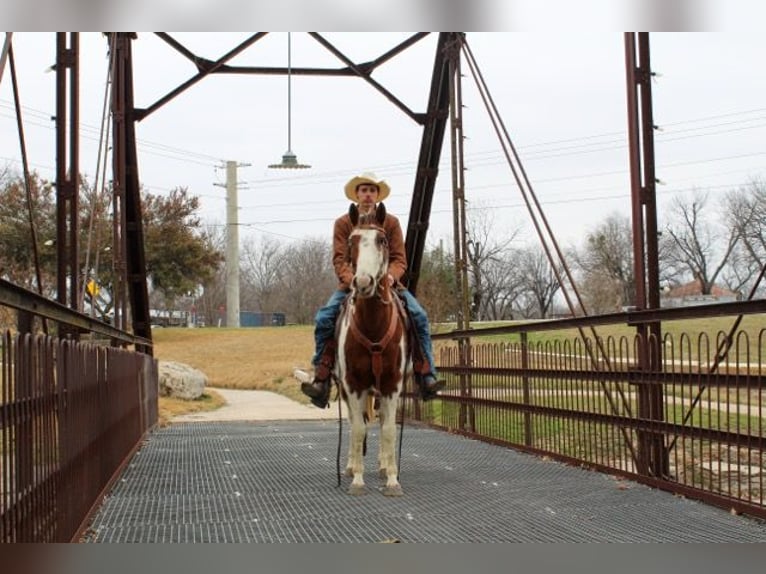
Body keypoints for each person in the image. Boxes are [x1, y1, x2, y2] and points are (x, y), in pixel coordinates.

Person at [301, 172, 445, 409]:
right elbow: (340, 260)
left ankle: (425, 373)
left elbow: (400, 259)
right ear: (357, 194)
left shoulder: (391, 223)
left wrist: (390, 277)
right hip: (352, 285)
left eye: (372, 190)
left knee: (419, 316)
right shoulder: (343, 223)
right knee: (324, 318)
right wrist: (354, 280)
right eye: (363, 190)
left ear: (377, 195)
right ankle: (322, 376)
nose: (367, 195)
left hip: (387, 284)